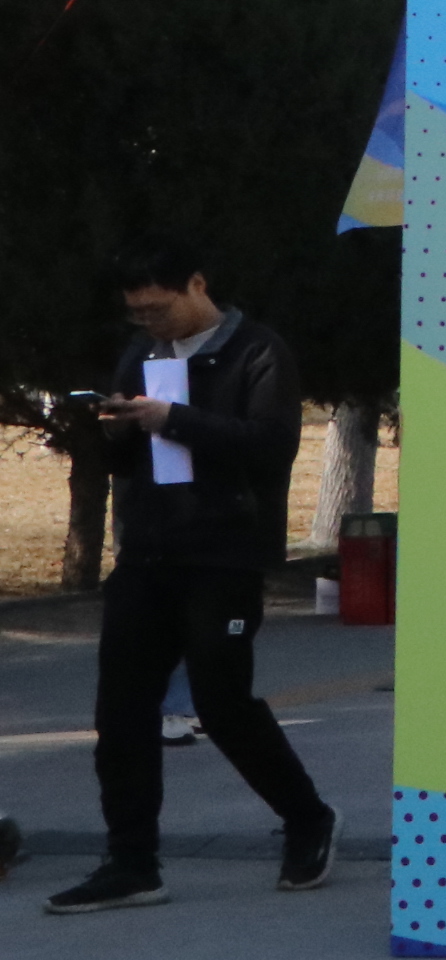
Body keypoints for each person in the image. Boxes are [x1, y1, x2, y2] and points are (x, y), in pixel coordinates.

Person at [46, 245, 341, 914]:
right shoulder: (141, 353)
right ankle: (131, 862)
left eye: (159, 307)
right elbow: (127, 461)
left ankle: (308, 818)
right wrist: (117, 429)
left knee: (221, 702)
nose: (149, 322)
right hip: (147, 553)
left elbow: (271, 446)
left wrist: (172, 419)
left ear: (198, 285)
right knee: (122, 710)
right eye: (137, 313)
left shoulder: (257, 351)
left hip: (224, 554)